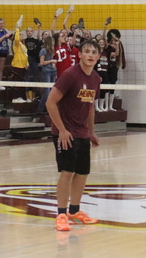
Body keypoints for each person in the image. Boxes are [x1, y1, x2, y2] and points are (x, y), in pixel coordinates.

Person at [46, 38, 102, 232]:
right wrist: (61, 130)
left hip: (82, 132)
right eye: (86, 51)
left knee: (82, 173)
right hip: (65, 132)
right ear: (80, 54)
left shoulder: (95, 78)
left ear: (98, 56)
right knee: (67, 172)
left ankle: (75, 211)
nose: (90, 55)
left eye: (94, 52)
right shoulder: (69, 75)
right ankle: (61, 214)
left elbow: (90, 106)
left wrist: (91, 132)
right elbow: (50, 103)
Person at [37, 33, 57, 114]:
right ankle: (39, 110)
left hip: (53, 71)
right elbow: (41, 62)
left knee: (52, 92)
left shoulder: (52, 51)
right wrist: (51, 61)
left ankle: (49, 110)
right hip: (46, 72)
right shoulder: (43, 50)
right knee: (47, 92)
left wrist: (53, 64)